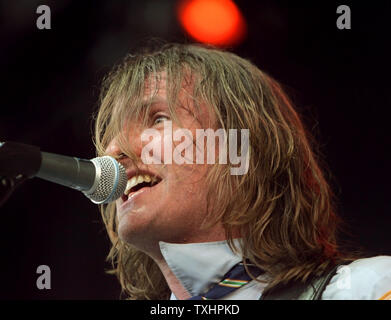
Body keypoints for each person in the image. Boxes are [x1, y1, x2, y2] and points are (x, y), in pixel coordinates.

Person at [93, 43, 391, 300]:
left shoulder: (367, 287)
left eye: (158, 119)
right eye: (115, 133)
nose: (113, 150)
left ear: (242, 149)